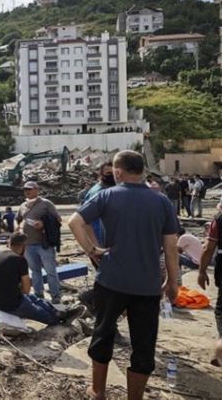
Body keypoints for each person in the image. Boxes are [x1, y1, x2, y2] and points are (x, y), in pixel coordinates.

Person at [69, 150, 179, 400]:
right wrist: (172, 282)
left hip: (111, 281)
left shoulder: (107, 195)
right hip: (148, 285)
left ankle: (98, 391)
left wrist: (92, 250)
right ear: (141, 172)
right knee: (143, 344)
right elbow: (171, 246)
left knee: (103, 333)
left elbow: (74, 222)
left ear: (118, 171)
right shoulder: (161, 201)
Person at [0, 232, 83, 325]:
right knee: (40, 311)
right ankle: (58, 319)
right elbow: (27, 290)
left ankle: (59, 313)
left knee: (34, 298)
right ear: (23, 246)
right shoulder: (20, 260)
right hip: (10, 305)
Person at [16, 181, 63, 303]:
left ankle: (56, 296)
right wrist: (17, 227)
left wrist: (43, 224)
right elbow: (17, 219)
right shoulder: (23, 206)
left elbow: (58, 220)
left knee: (50, 271)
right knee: (35, 271)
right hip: (28, 245)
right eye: (25, 189)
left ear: (37, 190)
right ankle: (38, 296)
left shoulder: (46, 204)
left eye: (30, 189)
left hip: (44, 244)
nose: (27, 191)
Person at [198, 200, 222, 366]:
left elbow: (209, 248)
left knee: (220, 310)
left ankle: (220, 350)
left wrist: (202, 271)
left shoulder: (219, 219)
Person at [82, 162, 116, 246]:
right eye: (108, 173)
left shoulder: (110, 190)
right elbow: (84, 220)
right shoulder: (99, 193)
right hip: (100, 240)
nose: (111, 176)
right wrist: (95, 245)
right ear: (101, 175)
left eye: (113, 173)